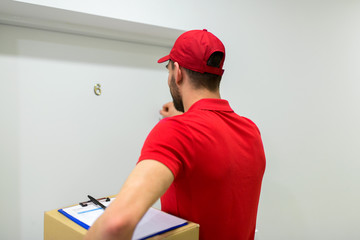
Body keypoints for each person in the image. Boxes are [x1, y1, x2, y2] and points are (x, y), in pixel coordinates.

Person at [84, 29, 266, 240]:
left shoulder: (175, 131)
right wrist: (182, 113)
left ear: (177, 72)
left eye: (168, 69)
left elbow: (116, 224)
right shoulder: (251, 131)